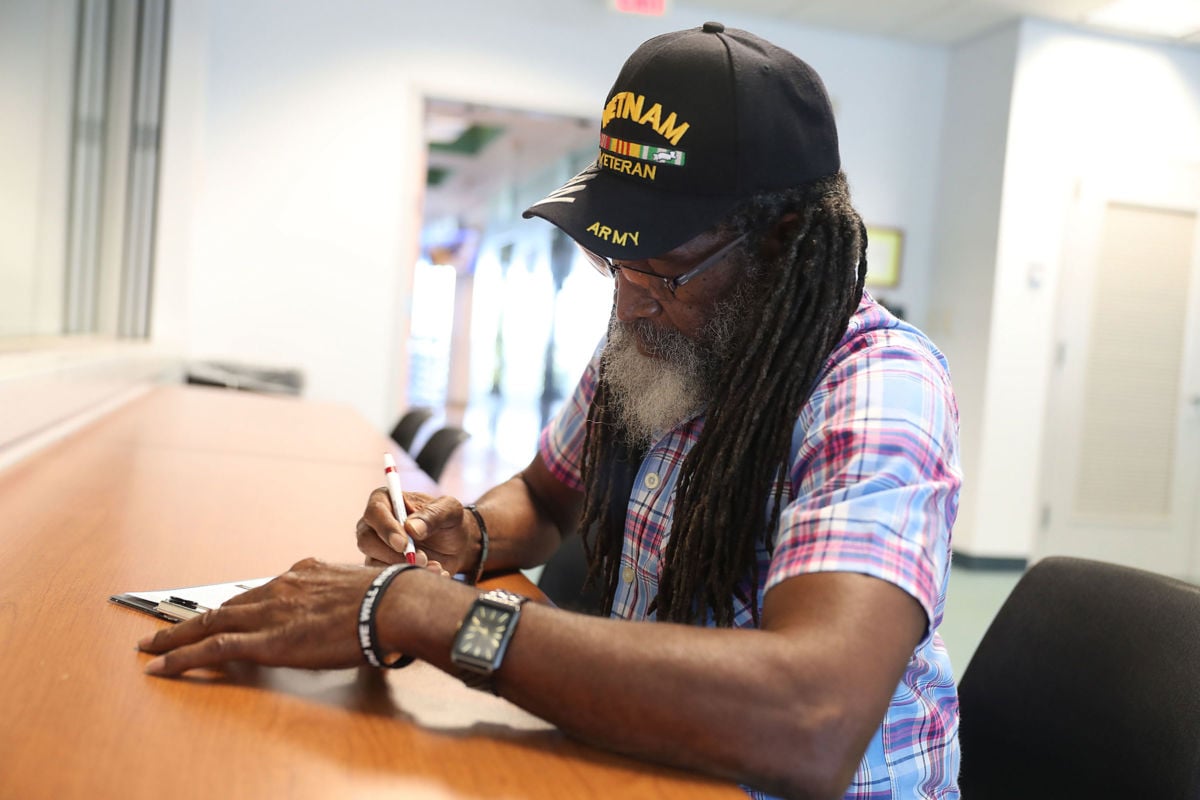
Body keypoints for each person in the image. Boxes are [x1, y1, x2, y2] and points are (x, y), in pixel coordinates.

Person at [139, 23, 962, 800]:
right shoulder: (660, 337)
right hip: (660, 759)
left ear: (781, 244)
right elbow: (544, 494)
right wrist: (469, 532)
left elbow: (813, 720)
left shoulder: (879, 388)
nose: (629, 303)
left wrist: (425, 611)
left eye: (663, 270)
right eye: (614, 265)